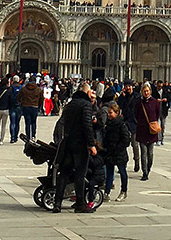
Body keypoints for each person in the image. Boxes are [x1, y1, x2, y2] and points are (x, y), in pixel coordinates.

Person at [53, 82, 98, 213]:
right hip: (80, 144)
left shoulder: (70, 104)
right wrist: (91, 144)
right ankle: (80, 203)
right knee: (80, 173)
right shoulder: (86, 105)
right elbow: (87, 125)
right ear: (88, 93)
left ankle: (57, 203)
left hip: (68, 143)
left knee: (64, 173)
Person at [102, 101, 131, 201]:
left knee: (122, 172)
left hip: (119, 153)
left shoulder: (122, 125)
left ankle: (124, 191)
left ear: (116, 113)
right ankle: (107, 192)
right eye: (108, 113)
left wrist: (118, 148)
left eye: (111, 113)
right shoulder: (108, 124)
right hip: (110, 152)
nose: (109, 115)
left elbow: (126, 140)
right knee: (109, 173)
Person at [134, 82, 161, 180]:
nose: (146, 93)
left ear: (150, 91)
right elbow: (136, 114)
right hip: (142, 130)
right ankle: (144, 172)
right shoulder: (139, 103)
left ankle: (148, 168)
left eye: (147, 91)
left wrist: (152, 123)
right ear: (142, 92)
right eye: (144, 91)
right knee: (143, 153)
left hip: (152, 131)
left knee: (150, 153)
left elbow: (158, 114)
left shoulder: (155, 102)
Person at [18, 76, 42, 141]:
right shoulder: (39, 89)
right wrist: (39, 106)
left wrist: (21, 103)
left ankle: (28, 136)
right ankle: (33, 136)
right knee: (33, 122)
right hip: (35, 107)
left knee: (27, 122)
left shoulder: (24, 89)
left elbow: (18, 97)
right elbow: (41, 99)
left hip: (26, 106)